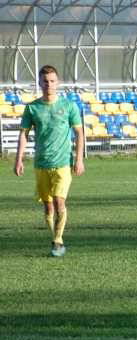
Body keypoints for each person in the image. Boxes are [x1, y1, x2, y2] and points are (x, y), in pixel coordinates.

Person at [13, 65, 85, 257]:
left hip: (62, 163)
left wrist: (79, 159)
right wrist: (18, 159)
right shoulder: (32, 108)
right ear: (39, 82)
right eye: (45, 81)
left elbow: (79, 133)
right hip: (41, 164)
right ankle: (55, 237)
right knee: (48, 205)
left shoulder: (68, 106)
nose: (49, 85)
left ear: (58, 82)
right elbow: (23, 134)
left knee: (60, 201)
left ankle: (58, 240)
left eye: (52, 81)